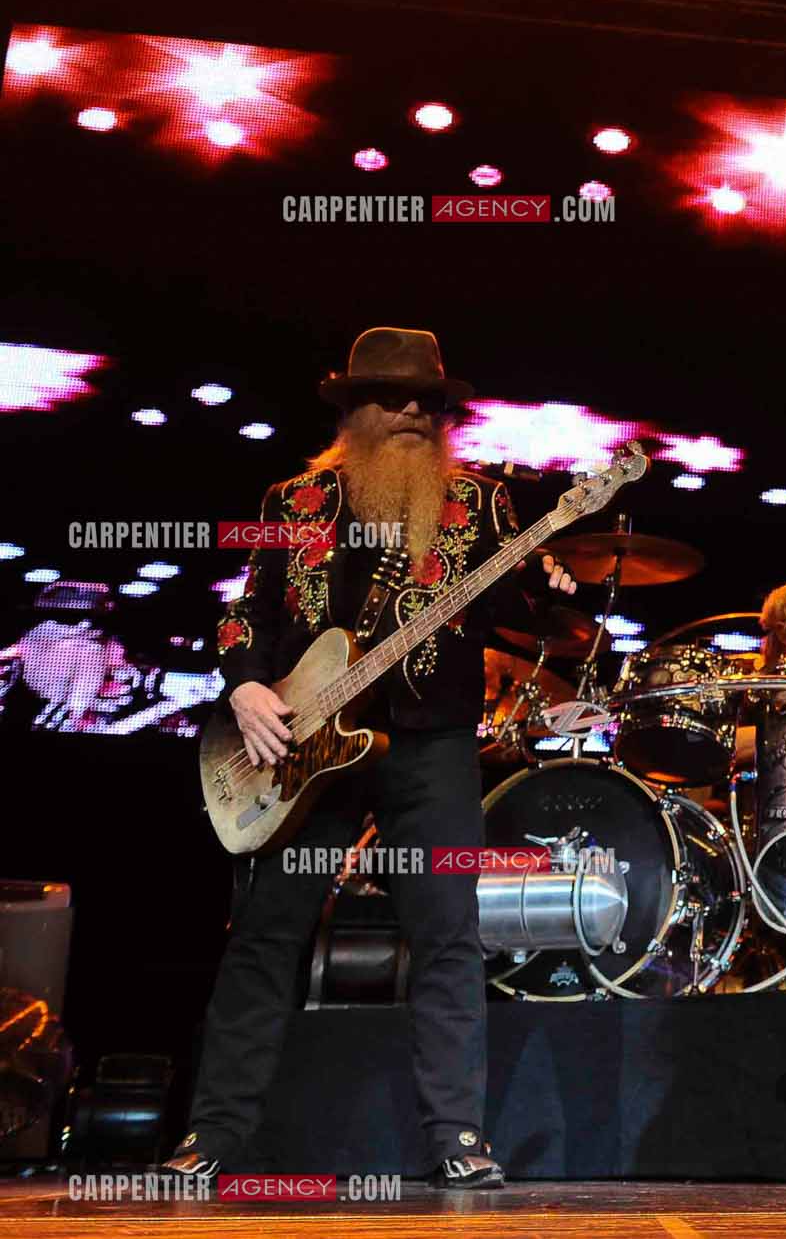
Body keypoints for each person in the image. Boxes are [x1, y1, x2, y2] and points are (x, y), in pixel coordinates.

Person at [158, 328, 576, 1190]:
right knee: (266, 936)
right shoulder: (293, 502)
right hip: (304, 753)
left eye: (430, 402)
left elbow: (524, 617)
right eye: (393, 398)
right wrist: (244, 688)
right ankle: (214, 1135)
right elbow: (247, 616)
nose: (416, 413)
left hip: (433, 748)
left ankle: (458, 1137)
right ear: (352, 410)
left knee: (449, 938)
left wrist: (548, 587)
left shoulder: (483, 506)